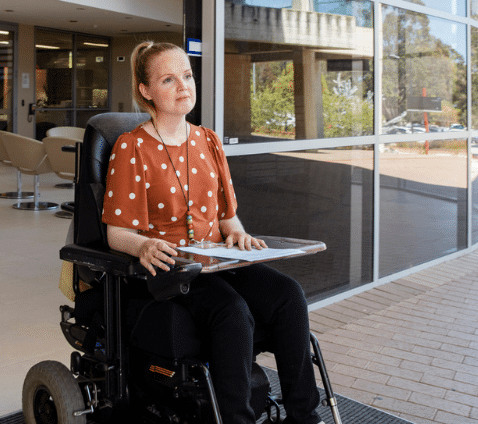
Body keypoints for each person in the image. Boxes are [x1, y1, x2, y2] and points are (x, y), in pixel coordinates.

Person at [101, 41, 323, 424]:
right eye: (168, 79)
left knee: (289, 295)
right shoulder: (131, 147)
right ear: (146, 91)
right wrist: (144, 245)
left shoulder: (208, 141)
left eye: (186, 75)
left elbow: (227, 219)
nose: (183, 85)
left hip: (220, 259)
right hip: (172, 268)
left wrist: (240, 235)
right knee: (232, 312)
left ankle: (304, 417)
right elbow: (116, 233)